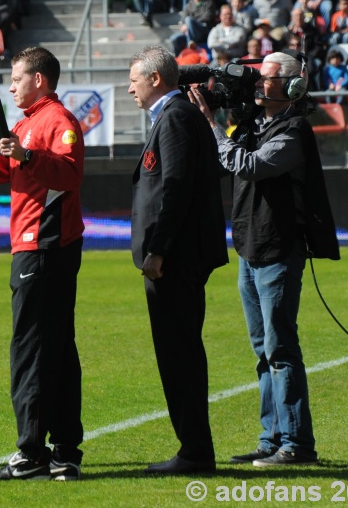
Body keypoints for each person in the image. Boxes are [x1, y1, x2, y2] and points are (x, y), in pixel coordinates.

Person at [190, 50, 339, 467]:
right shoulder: (256, 123)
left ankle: (296, 443)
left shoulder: (293, 130)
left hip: (277, 249)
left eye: (268, 78)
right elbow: (223, 162)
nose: (259, 83)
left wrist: (211, 125)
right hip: (250, 248)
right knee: (262, 350)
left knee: (280, 347)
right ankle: (271, 438)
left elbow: (249, 165)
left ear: (293, 86)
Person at [0, 46, 86, 481]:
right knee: (58, 347)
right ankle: (64, 449)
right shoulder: (27, 123)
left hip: (43, 245)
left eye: (16, 77)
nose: (9, 85)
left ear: (39, 80)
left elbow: (69, 172)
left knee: (30, 349)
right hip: (40, 246)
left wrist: (26, 155)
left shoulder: (56, 121)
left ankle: (30, 453)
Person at [127, 45, 228, 475]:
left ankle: (195, 451)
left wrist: (159, 249)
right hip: (176, 256)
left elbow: (177, 188)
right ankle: (193, 448)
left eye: (134, 78)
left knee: (179, 353)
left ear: (155, 79)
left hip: (174, 259)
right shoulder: (174, 117)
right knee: (178, 351)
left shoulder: (176, 118)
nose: (129, 86)